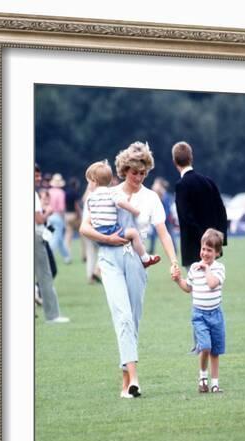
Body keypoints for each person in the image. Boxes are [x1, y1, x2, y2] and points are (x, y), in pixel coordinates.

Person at [80, 142, 179, 398]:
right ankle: (134, 379)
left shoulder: (151, 198)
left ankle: (126, 382)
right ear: (124, 170)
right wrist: (110, 240)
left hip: (136, 261)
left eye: (143, 173)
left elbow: (164, 233)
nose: (139, 177)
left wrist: (174, 261)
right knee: (122, 316)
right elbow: (84, 228)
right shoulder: (107, 193)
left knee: (132, 320)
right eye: (134, 172)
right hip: (110, 259)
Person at [172, 228, 226, 393]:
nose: (205, 253)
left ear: (217, 253)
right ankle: (203, 377)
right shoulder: (194, 268)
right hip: (199, 315)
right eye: (203, 248)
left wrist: (207, 268)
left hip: (216, 315)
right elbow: (188, 288)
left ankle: (215, 383)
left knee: (215, 351)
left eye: (209, 250)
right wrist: (178, 280)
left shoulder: (219, 269)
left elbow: (211, 284)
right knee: (205, 347)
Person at [85, 160, 161, 268]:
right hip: (110, 230)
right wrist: (134, 210)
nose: (88, 185)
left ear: (94, 181)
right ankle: (145, 258)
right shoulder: (111, 193)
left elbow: (90, 210)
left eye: (88, 182)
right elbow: (121, 202)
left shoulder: (90, 197)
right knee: (133, 233)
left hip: (97, 232)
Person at [172, 141, 227, 268]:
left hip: (194, 248)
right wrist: (218, 242)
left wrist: (203, 243)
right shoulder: (209, 182)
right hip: (213, 249)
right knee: (212, 285)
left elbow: (187, 217)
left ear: (174, 161)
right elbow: (221, 211)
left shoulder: (181, 186)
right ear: (191, 158)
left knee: (198, 287)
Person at [35, 189, 69, 324]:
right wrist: (47, 212)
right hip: (38, 238)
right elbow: (38, 220)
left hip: (42, 237)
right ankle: (52, 315)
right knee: (46, 275)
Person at [148, 177, 177, 255]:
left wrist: (163, 218)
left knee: (171, 235)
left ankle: (175, 251)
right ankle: (151, 250)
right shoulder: (155, 196)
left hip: (167, 219)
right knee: (153, 234)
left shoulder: (165, 196)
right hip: (158, 219)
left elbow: (167, 209)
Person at [48, 173, 72, 264]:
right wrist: (63, 218)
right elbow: (62, 208)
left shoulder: (49, 191)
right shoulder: (61, 193)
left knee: (59, 238)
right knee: (56, 238)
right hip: (57, 216)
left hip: (49, 216)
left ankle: (67, 257)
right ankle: (49, 255)